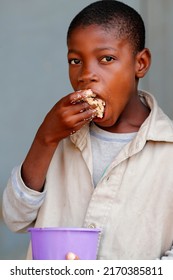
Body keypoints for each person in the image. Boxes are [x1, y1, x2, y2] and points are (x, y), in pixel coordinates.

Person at [2, 0, 173, 260]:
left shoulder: (168, 150)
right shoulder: (58, 137)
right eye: (75, 60)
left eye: (107, 58)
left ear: (140, 63)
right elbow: (14, 219)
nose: (86, 75)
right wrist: (44, 139)